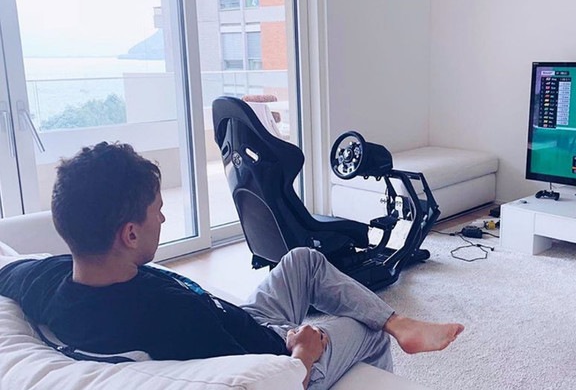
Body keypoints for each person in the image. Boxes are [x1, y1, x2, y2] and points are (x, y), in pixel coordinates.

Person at [0, 142, 464, 389]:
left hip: (243, 316)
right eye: (157, 210)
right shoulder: (170, 318)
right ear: (130, 234)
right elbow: (265, 377)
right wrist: (304, 352)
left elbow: (5, 269)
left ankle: (400, 321)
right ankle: (388, 335)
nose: (163, 218)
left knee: (303, 260)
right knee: (365, 329)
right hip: (277, 351)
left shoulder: (43, 278)